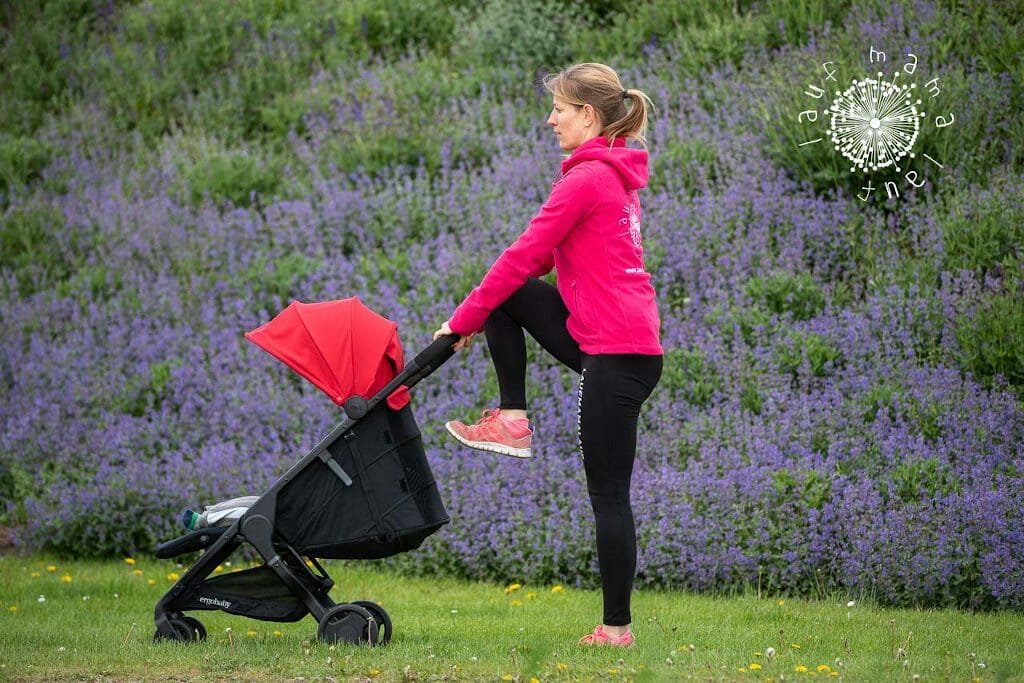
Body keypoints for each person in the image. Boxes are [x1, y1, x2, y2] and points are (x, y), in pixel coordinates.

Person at [432, 62, 663, 647]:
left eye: (559, 108)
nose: (550, 118)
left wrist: (459, 321)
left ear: (587, 115)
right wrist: (477, 317)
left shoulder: (587, 180)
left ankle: (616, 632)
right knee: (510, 295)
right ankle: (512, 417)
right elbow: (530, 270)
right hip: (609, 342)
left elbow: (519, 253)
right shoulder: (607, 177)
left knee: (608, 495)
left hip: (616, 353)